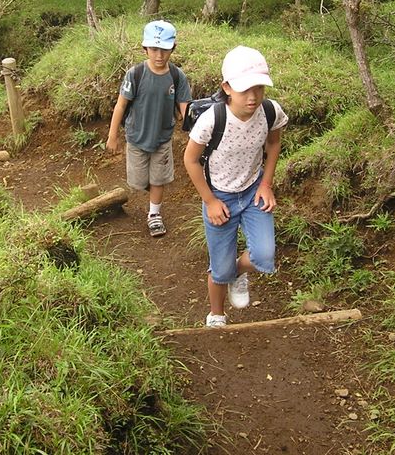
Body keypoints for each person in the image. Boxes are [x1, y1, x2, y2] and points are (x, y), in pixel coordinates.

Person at [183, 45, 288, 327]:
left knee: (264, 257)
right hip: (219, 194)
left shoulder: (270, 111)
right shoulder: (212, 119)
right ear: (227, 87)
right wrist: (210, 201)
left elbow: (274, 142)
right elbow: (190, 160)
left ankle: (238, 272)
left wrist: (266, 184)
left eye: (258, 88)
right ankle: (216, 314)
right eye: (245, 89)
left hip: (253, 190)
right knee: (219, 267)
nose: (253, 97)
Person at [107, 20, 192, 237]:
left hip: (162, 138)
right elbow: (121, 104)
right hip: (136, 137)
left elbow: (185, 107)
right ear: (145, 49)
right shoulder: (135, 74)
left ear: (172, 48)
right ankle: (153, 191)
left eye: (164, 49)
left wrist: (193, 130)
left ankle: (154, 215)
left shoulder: (177, 76)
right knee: (138, 182)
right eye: (154, 49)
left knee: (158, 179)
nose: (159, 55)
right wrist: (113, 134)